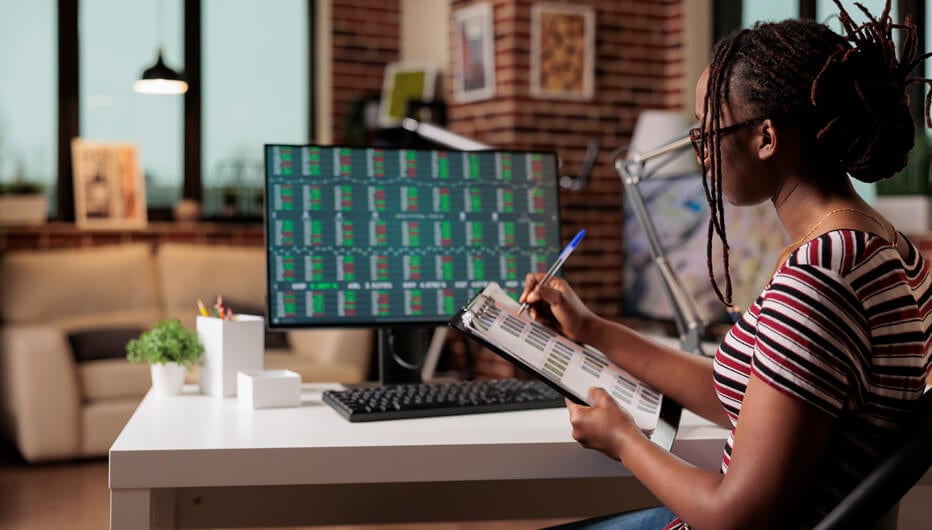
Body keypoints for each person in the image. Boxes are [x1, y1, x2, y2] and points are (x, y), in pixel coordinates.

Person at [520, 1, 932, 528]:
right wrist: (593, 329)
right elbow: (739, 391)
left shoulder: (822, 273)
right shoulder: (886, 247)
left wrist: (621, 439)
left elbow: (737, 513)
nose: (701, 153)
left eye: (707, 132)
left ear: (765, 137)